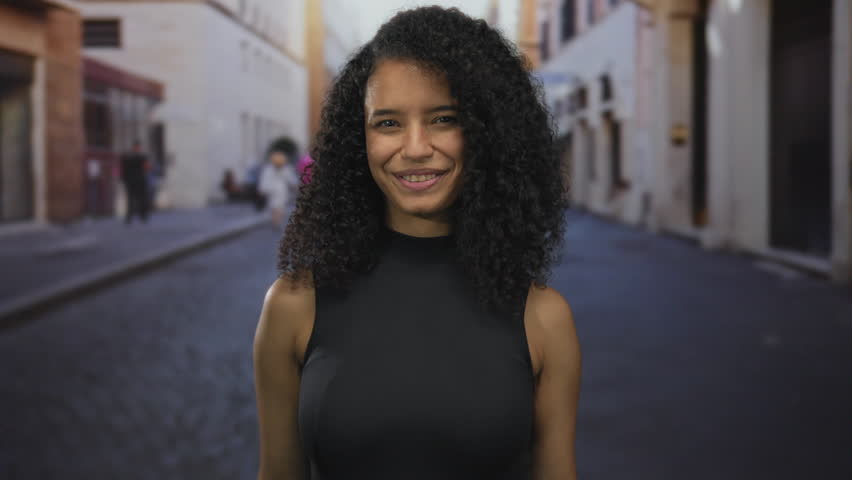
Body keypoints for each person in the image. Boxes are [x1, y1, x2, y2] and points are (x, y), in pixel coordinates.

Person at [254, 7, 580, 480]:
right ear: (357, 138)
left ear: (487, 131)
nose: (414, 148)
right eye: (387, 123)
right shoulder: (292, 305)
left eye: (443, 119)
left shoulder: (546, 319)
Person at [258, 145, 299, 228]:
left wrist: (262, 188)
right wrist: (295, 186)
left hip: (273, 190)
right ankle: (276, 221)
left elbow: (264, 179)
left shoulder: (270, 168)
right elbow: (291, 179)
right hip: (280, 190)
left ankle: (275, 221)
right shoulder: (283, 168)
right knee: (278, 206)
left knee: (275, 206)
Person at [120, 140, 150, 224]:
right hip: (136, 180)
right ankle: (136, 216)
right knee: (136, 199)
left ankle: (137, 216)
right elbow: (147, 167)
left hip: (133, 180)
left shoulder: (127, 157)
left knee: (136, 199)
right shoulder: (141, 157)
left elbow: (146, 167)